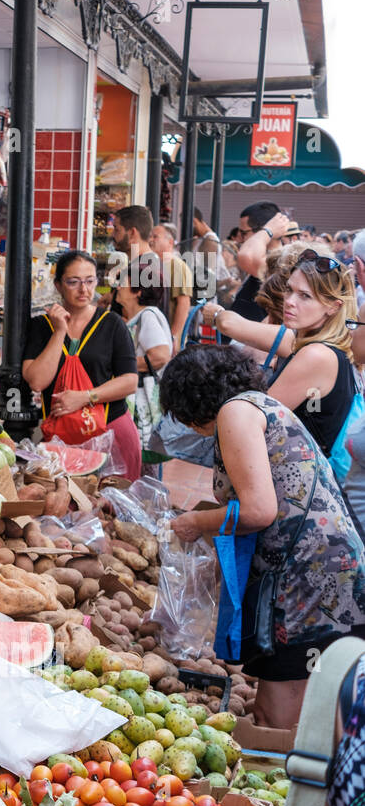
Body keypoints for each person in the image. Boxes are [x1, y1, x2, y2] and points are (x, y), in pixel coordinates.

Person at [161, 344, 365, 730]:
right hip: (317, 572)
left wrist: (197, 523)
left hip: (311, 581)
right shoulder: (254, 405)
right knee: (317, 708)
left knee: (277, 716)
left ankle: (299, 783)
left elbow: (258, 511)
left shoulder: (234, 413)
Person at [201, 246, 358, 460]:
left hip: (299, 485)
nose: (290, 301)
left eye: (305, 296)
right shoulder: (317, 345)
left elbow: (252, 422)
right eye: (289, 290)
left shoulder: (317, 355)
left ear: (333, 307)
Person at [22, 249, 140, 479]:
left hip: (111, 430)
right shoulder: (41, 326)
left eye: (89, 281)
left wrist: (85, 396)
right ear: (58, 285)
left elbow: (130, 381)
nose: (83, 289)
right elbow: (37, 381)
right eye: (73, 282)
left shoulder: (112, 323)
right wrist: (59, 332)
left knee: (115, 507)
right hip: (61, 437)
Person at [116, 256, 172, 477]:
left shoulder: (147, 316)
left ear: (138, 290)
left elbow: (160, 356)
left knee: (140, 460)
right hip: (137, 397)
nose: (118, 287)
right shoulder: (139, 317)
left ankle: (144, 498)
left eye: (123, 282)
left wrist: (121, 366)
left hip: (142, 400)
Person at [232, 201, 291, 321]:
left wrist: (268, 230)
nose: (240, 239)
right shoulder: (267, 258)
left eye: (244, 233)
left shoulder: (281, 263)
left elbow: (247, 256)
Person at [147, 222, 194, 350]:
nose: (150, 240)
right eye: (150, 236)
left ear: (170, 242)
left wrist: (173, 336)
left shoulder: (177, 266)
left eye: (155, 236)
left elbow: (183, 304)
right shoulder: (152, 264)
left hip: (167, 339)